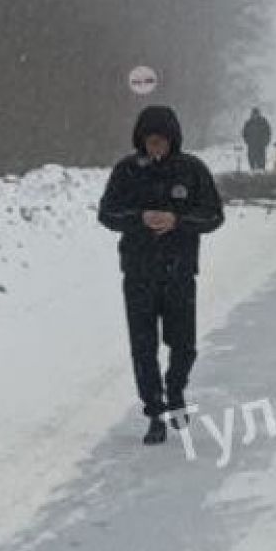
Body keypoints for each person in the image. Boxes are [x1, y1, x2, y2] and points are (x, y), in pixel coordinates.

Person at [99, 105, 225, 445]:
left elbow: (214, 215)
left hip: (179, 271)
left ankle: (176, 389)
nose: (156, 147)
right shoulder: (127, 171)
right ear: (141, 141)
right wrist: (139, 219)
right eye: (150, 141)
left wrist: (178, 221)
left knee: (184, 344)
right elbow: (107, 214)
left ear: (173, 140)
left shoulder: (192, 170)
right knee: (143, 347)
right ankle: (155, 412)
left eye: (161, 141)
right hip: (138, 272)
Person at [241, 107, 272, 171]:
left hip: (261, 146)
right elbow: (244, 133)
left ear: (259, 114)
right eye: (254, 114)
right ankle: (253, 172)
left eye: (256, 114)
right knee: (252, 161)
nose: (255, 115)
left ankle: (261, 172)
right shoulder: (248, 123)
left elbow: (268, 133)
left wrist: (265, 142)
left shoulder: (263, 122)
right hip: (251, 146)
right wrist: (248, 142)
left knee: (261, 162)